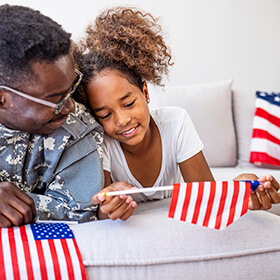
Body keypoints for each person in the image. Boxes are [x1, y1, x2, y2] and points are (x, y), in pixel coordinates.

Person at [73, 6, 280, 210]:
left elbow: (208, 196)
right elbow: (99, 209)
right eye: (105, 114)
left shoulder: (175, 123)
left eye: (128, 104)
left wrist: (240, 189)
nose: (121, 120)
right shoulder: (103, 142)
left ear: (145, 92)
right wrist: (108, 205)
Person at [0, 4, 136, 228]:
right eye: (55, 99)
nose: (70, 107)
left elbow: (80, 210)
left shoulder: (76, 129)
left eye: (71, 88)